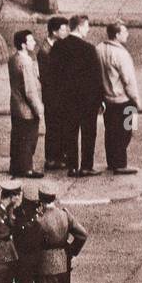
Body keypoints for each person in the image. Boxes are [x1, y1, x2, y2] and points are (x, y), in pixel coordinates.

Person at [26, 188, 87, 283]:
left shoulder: (40, 220)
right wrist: (71, 251)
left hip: (46, 264)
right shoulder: (64, 214)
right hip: (64, 261)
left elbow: (32, 243)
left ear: (40, 200)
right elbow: (82, 235)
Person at [59, 15, 103, 177]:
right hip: (87, 100)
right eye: (86, 26)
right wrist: (100, 100)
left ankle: (72, 166)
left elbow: (53, 75)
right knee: (88, 133)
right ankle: (86, 166)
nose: (88, 29)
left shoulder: (59, 47)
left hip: (67, 99)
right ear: (79, 27)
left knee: (70, 132)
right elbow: (96, 78)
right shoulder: (88, 49)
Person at [97, 23, 142, 173]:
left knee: (110, 131)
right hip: (124, 100)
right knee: (126, 131)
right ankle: (120, 163)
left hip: (107, 99)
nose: (127, 34)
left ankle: (112, 161)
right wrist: (136, 100)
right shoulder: (121, 54)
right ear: (116, 35)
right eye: (124, 31)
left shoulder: (99, 49)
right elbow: (128, 80)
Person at [7, 30, 43, 178]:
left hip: (16, 105)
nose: (34, 43)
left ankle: (15, 166)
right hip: (26, 108)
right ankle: (26, 168)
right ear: (23, 45)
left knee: (17, 137)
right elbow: (30, 90)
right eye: (30, 41)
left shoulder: (13, 59)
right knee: (28, 139)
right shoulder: (25, 62)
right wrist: (39, 109)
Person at [37, 16, 70, 171]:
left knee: (62, 126)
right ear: (55, 31)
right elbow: (47, 78)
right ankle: (51, 159)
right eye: (63, 29)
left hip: (61, 95)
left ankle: (61, 156)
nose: (66, 31)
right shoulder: (44, 51)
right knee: (53, 127)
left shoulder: (59, 45)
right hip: (52, 96)